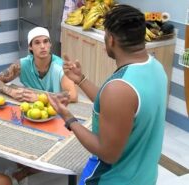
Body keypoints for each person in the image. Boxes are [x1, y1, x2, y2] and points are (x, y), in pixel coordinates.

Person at [48, 4, 168, 185]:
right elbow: (119, 109)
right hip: (145, 178)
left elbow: (107, 153)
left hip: (113, 180)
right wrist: (80, 79)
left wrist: (69, 118)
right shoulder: (156, 68)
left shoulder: (120, 88)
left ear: (110, 39)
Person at [0, 27, 78, 103]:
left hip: (57, 109)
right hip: (32, 108)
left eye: (45, 41)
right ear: (30, 47)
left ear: (50, 44)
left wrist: (40, 98)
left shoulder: (61, 66)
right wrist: (11, 92)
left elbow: (73, 95)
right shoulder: (22, 65)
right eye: (37, 42)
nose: (43, 46)